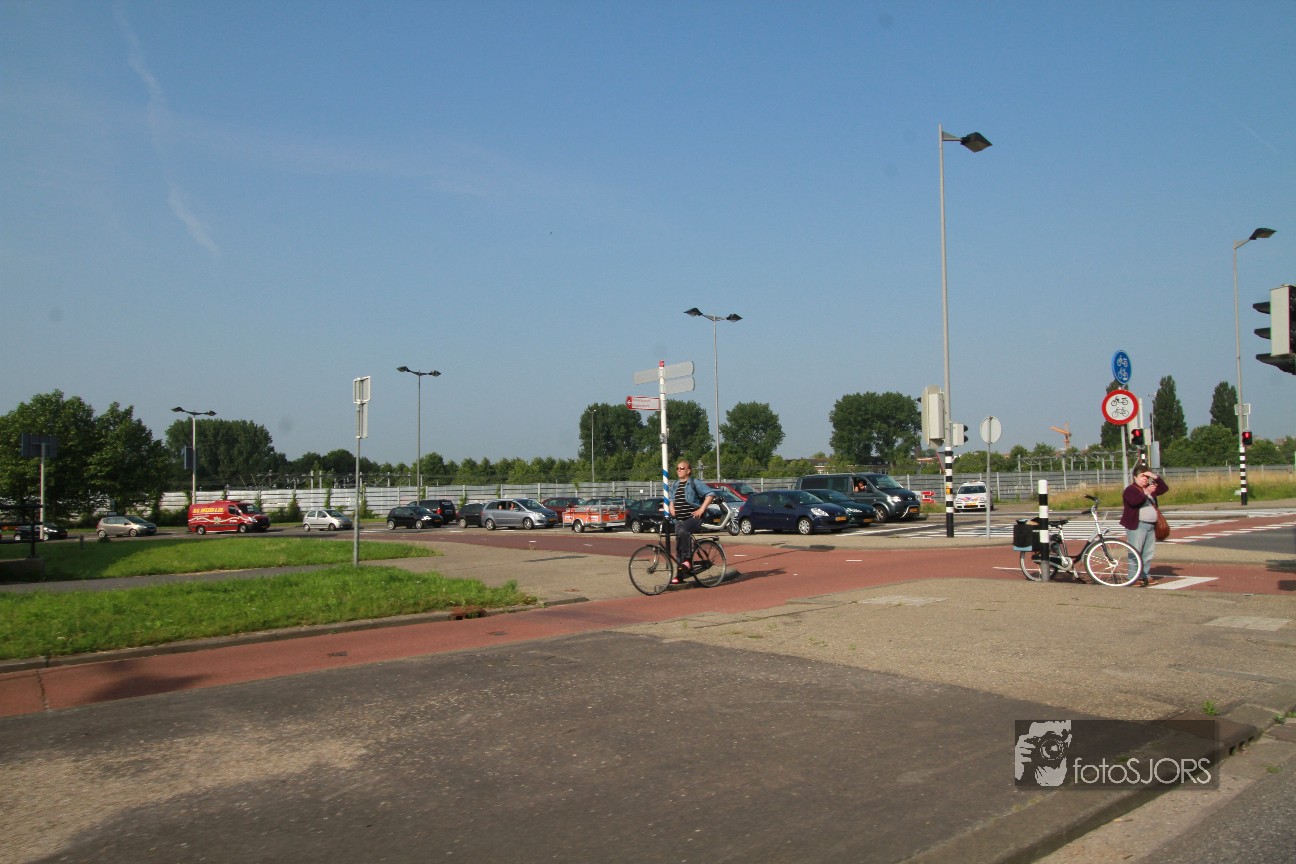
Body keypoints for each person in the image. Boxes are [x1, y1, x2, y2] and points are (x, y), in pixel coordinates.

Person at [1121, 464, 1169, 586]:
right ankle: (1133, 577)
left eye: (1147, 477)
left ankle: (1145, 575)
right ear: (1135, 477)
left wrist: (1154, 476)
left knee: (1148, 552)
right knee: (1135, 551)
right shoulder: (1130, 490)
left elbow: (1164, 488)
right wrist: (1146, 492)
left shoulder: (1150, 489)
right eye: (1142, 476)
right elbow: (1134, 502)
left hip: (1151, 526)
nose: (1145, 479)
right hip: (1137, 525)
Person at [668, 460, 715, 579]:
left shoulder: (694, 483)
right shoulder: (675, 484)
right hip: (679, 519)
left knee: (684, 531)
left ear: (688, 471)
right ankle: (680, 575)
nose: (679, 470)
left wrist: (701, 509)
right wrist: (671, 507)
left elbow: (710, 494)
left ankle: (688, 560)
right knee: (679, 547)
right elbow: (672, 499)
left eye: (682, 468)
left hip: (693, 518)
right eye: (677, 468)